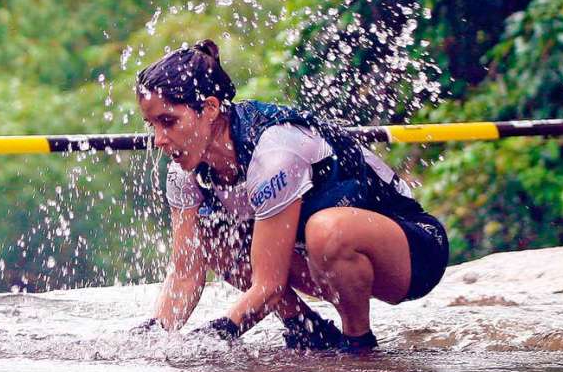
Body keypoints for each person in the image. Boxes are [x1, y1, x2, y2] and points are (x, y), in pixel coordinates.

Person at [133, 39, 449, 353]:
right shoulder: (184, 171)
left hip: (415, 252)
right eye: (152, 125)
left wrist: (214, 336)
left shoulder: (274, 152)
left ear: (211, 109)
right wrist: (153, 340)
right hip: (318, 260)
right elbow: (186, 274)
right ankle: (307, 328)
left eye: (168, 121)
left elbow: (268, 287)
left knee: (325, 231)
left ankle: (358, 342)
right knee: (214, 234)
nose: (159, 139)